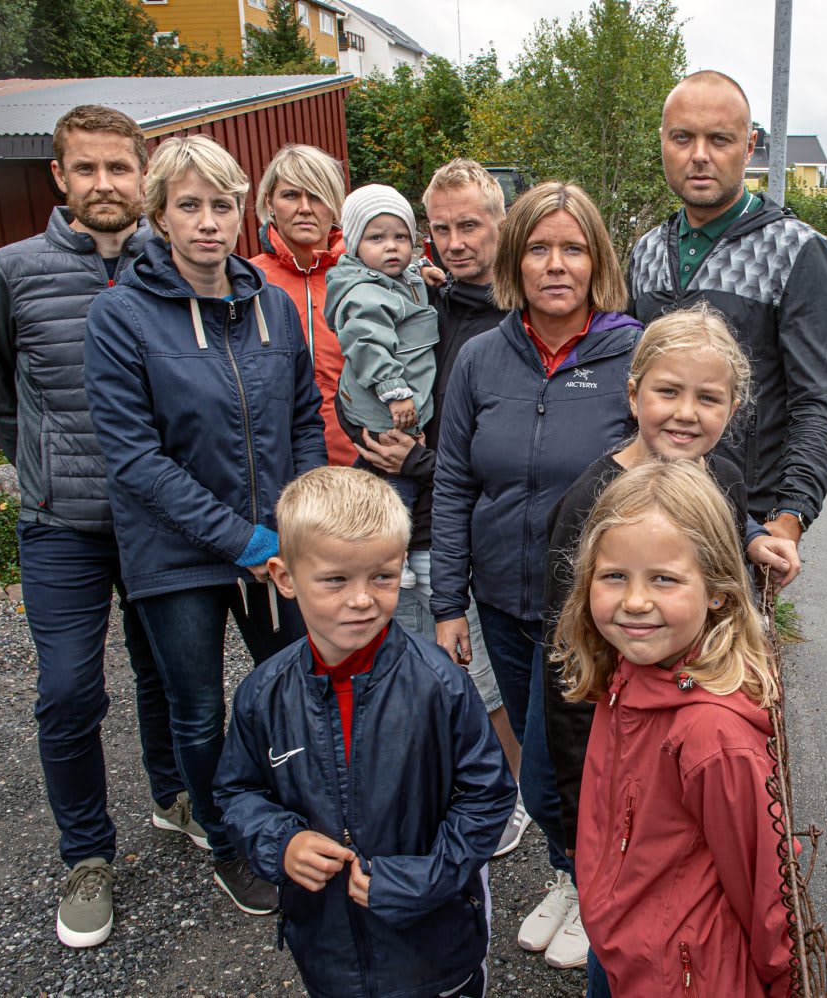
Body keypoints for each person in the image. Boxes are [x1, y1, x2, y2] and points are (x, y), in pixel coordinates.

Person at [0, 104, 197, 949]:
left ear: (143, 176)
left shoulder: (171, 264)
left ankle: (173, 794)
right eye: (87, 168)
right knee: (68, 691)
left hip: (156, 520)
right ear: (59, 176)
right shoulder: (13, 270)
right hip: (61, 522)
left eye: (119, 168)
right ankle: (87, 856)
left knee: (168, 674)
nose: (105, 184)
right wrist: (40, 470)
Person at [84, 134, 328, 916]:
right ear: (159, 215)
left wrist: (291, 522)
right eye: (188, 206)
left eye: (221, 205)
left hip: (272, 546)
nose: (207, 222)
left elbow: (303, 420)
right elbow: (135, 458)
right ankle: (228, 844)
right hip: (175, 553)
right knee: (197, 709)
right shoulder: (120, 315)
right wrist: (241, 539)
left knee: (294, 687)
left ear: (240, 211)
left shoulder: (271, 306)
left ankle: (297, 820)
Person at [430, 181, 641, 971]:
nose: (556, 265)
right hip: (502, 600)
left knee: (574, 764)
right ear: (515, 260)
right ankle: (568, 876)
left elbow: (680, 455)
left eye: (573, 248)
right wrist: (447, 601)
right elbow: (453, 480)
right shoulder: (482, 357)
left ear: (597, 261)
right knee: (539, 758)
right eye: (539, 249)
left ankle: (598, 889)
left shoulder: (631, 353)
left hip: (593, 612)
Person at [214, 466, 516, 998]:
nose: (362, 599)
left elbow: (487, 797)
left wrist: (419, 879)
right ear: (284, 577)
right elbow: (238, 791)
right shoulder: (262, 694)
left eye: (381, 577)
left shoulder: (440, 684)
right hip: (328, 953)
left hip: (435, 953)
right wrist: (282, 842)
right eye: (336, 580)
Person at [543, 303, 800, 855]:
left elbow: (719, 556)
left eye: (708, 398)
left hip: (697, 730)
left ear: (732, 407)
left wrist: (753, 540)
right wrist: (578, 818)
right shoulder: (590, 502)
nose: (686, 414)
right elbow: (567, 666)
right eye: (668, 392)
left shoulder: (725, 479)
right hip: (619, 733)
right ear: (633, 394)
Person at [550, 460, 793, 997]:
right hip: (623, 947)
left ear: (717, 590)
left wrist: (783, 985)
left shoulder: (713, 737)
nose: (636, 602)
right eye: (615, 576)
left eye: (664, 578)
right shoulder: (627, 669)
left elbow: (766, 895)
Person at [349, 158, 524, 857]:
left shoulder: (516, 320)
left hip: (471, 531)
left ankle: (510, 793)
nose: (453, 243)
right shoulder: (425, 303)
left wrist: (416, 464)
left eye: (469, 226)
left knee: (484, 679)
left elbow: (505, 450)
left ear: (501, 222)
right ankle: (452, 786)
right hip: (410, 523)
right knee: (424, 669)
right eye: (441, 229)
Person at [627, 69, 827, 546]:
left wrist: (792, 513)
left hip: (743, 523)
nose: (699, 155)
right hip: (648, 506)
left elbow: (817, 397)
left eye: (719, 139)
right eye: (682, 138)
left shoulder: (795, 252)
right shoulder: (645, 251)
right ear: (662, 142)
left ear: (748, 148)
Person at [324, 183, 439, 587]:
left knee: (372, 472)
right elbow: (367, 343)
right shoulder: (363, 293)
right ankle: (392, 553)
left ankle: (362, 535)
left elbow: (405, 282)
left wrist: (422, 271)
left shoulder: (396, 277)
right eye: (376, 238)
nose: (391, 247)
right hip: (386, 402)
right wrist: (395, 390)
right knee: (398, 475)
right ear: (355, 245)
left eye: (401, 237)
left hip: (389, 399)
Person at [250, 144, 353, 465]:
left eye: (317, 196)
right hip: (275, 467)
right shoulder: (246, 282)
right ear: (269, 202)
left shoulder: (364, 276)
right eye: (291, 195)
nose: (305, 208)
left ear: (335, 205)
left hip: (359, 465)